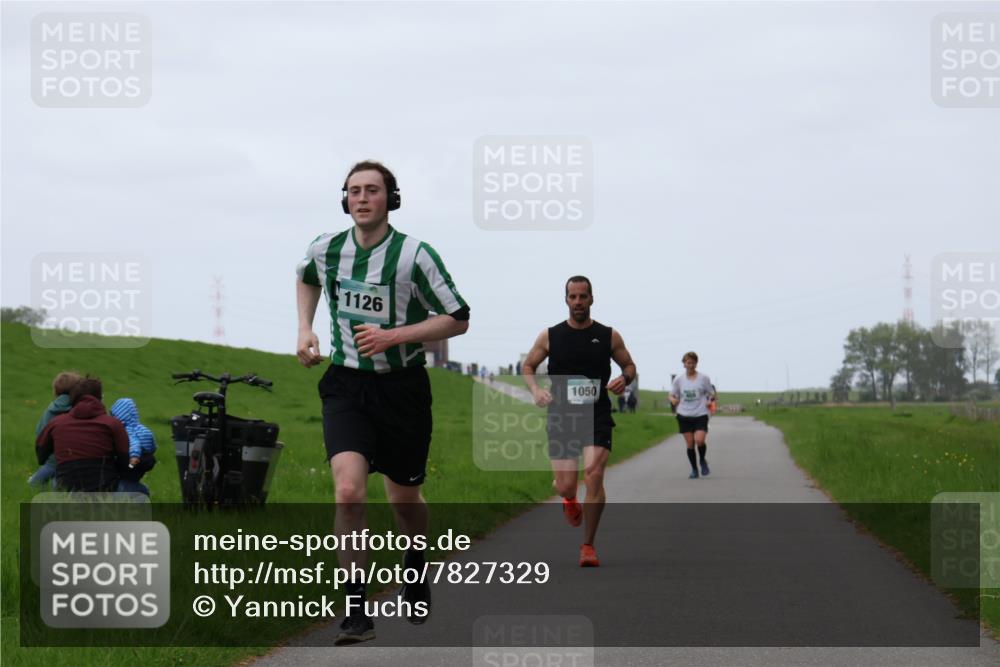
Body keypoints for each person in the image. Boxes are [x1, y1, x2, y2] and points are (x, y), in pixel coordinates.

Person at [296, 160, 469, 645]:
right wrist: (305, 327)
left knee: (403, 499)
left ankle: (414, 564)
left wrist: (395, 335)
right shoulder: (326, 248)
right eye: (354, 191)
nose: (362, 198)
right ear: (345, 199)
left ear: (390, 199)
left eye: (372, 190)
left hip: (402, 389)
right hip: (346, 386)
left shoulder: (415, 255)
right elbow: (306, 276)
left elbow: (458, 317)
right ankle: (356, 610)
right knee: (349, 491)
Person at [522, 276, 636, 568]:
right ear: (566, 300)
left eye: (583, 296)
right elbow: (528, 366)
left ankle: (588, 546)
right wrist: (535, 390)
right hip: (562, 416)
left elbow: (629, 365)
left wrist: (624, 379)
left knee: (594, 474)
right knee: (565, 486)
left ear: (591, 299)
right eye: (572, 297)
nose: (578, 302)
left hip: (597, 414)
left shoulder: (609, 335)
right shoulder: (550, 336)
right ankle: (569, 499)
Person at [35, 376, 131, 492]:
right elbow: (125, 460)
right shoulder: (113, 423)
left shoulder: (56, 422)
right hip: (104, 489)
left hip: (66, 489)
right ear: (100, 398)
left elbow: (41, 455)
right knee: (139, 490)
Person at [28, 371, 81, 487]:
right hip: (76, 460)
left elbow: (40, 431)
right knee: (59, 486)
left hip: (52, 459)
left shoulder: (50, 410)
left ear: (55, 390)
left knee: (33, 484)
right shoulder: (79, 409)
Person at [669, 352, 715, 479]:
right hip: (684, 415)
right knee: (690, 443)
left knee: (699, 440)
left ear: (696, 364)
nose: (691, 365)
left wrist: (709, 401)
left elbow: (712, 393)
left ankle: (702, 460)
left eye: (693, 363)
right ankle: (694, 469)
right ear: (684, 364)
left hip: (700, 413)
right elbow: (671, 395)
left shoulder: (704, 378)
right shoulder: (679, 379)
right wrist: (673, 400)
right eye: (688, 363)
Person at [110, 398, 158, 496]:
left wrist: (134, 456)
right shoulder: (143, 428)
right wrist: (151, 451)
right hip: (145, 457)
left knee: (126, 480)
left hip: (133, 460)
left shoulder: (128, 430)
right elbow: (153, 444)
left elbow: (134, 443)